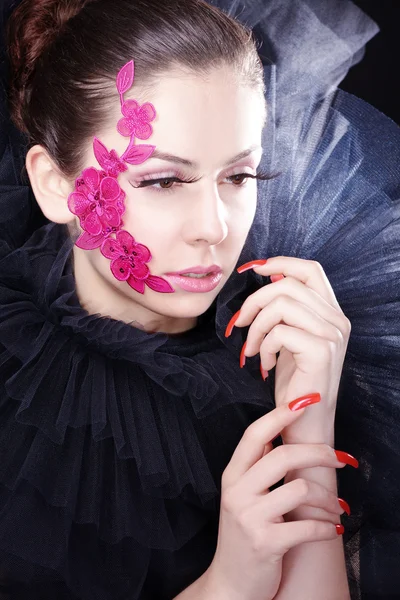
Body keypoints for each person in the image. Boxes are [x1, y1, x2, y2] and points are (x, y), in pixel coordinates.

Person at [0, 0, 399, 599]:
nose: (214, 228)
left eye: (240, 178)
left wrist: (308, 428)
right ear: (56, 185)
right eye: (163, 180)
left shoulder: (281, 335)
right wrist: (230, 582)